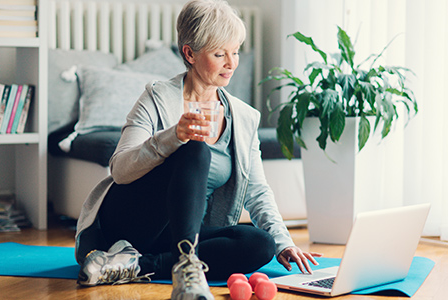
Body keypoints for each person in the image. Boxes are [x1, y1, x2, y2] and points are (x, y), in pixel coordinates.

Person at [74, 0, 322, 299]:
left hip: (178, 237)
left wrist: (284, 242)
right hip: (128, 224)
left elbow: (257, 191)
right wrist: (172, 137)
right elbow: (121, 170)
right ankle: (183, 266)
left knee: (260, 244)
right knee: (196, 149)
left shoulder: (243, 118)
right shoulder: (156, 98)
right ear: (189, 53)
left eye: (236, 51)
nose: (231, 63)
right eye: (220, 54)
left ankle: (138, 266)